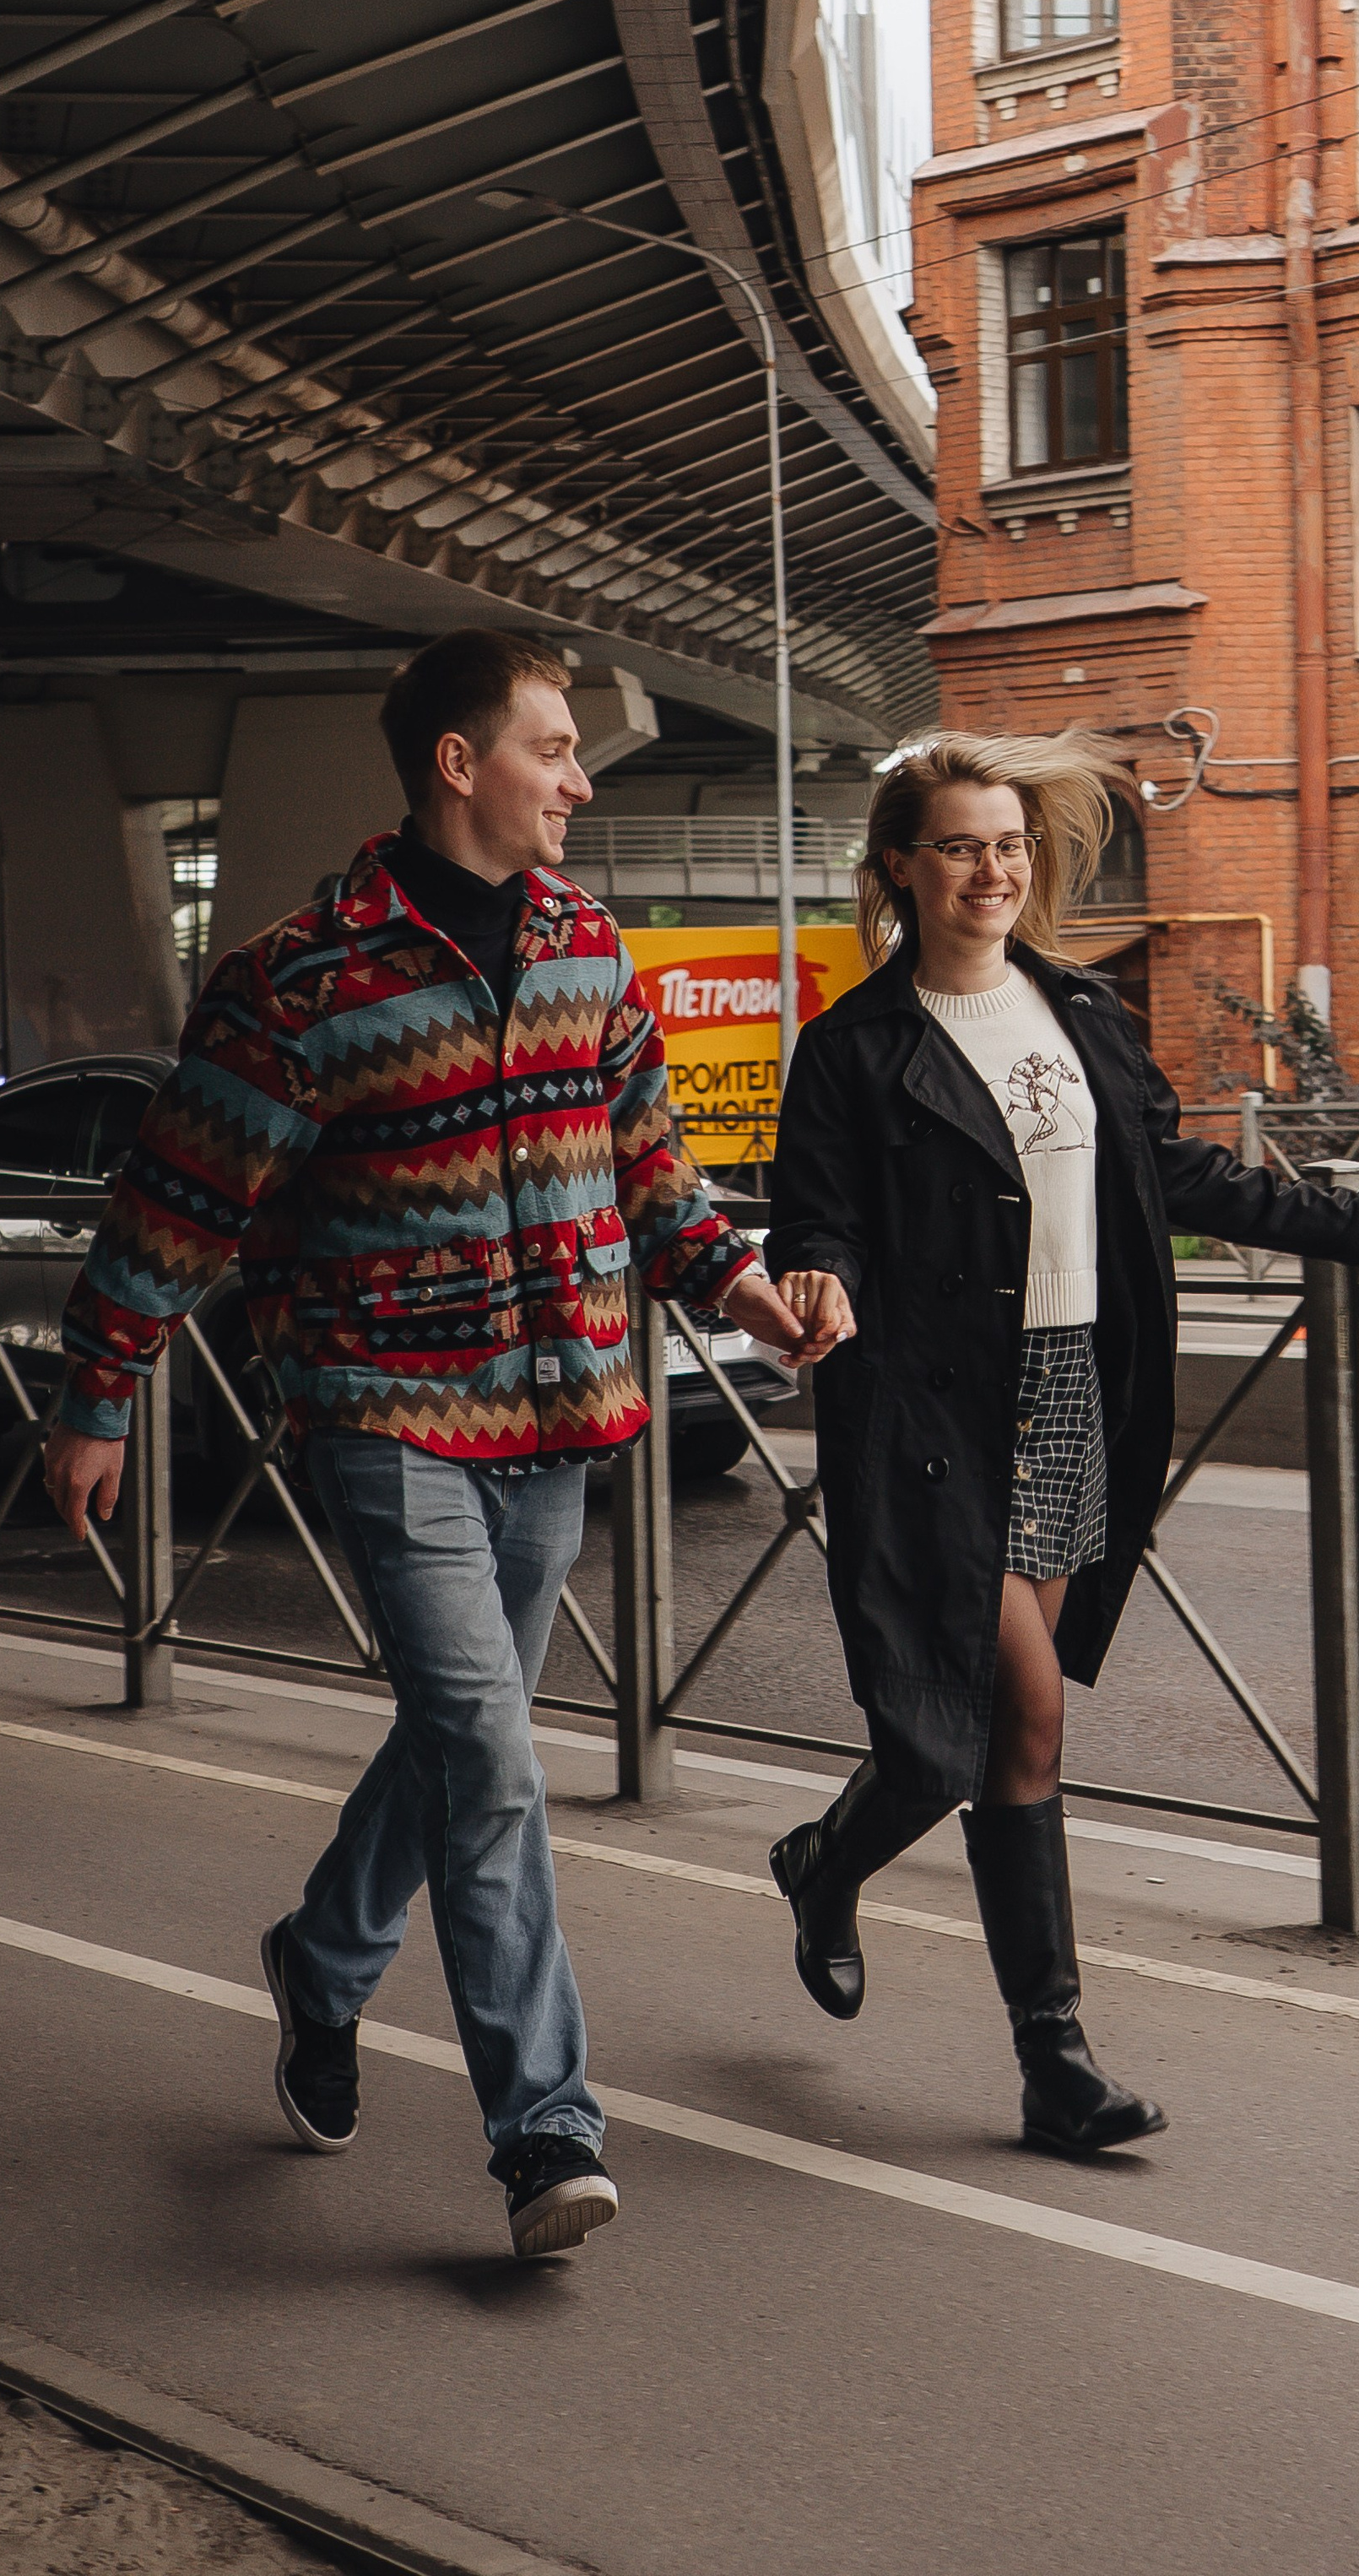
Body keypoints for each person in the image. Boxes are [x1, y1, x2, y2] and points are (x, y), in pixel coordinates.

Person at [41, 630, 828, 2259]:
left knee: (459, 1744)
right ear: (462, 764)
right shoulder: (305, 978)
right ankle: (545, 2134)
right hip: (387, 1415)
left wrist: (743, 1291)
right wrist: (101, 1387)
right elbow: (180, 1198)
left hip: (562, 1417)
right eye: (557, 745)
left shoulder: (590, 950)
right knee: (491, 1761)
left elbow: (651, 1173)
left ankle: (321, 1960)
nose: (582, 778)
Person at [763, 730, 1359, 2155]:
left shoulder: (1077, 1011)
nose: (992, 870)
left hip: (1074, 1384)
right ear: (903, 866)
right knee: (1010, 1716)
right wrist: (819, 1272)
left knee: (972, 1723)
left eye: (1010, 845)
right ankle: (1055, 2057)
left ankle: (829, 1863)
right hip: (931, 1408)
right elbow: (818, 1214)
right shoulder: (854, 1048)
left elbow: (1178, 1168)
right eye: (960, 845)